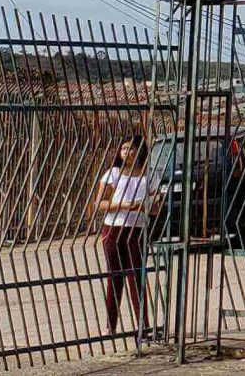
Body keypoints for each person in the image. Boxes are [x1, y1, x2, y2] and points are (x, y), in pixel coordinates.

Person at [93, 134, 157, 341]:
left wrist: (143, 206)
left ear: (140, 151)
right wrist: (122, 205)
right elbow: (100, 204)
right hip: (113, 228)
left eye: (130, 148)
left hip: (136, 229)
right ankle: (110, 325)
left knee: (136, 277)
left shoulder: (149, 175)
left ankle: (143, 327)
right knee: (115, 277)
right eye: (123, 148)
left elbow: (156, 207)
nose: (125, 152)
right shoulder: (113, 174)